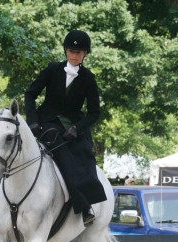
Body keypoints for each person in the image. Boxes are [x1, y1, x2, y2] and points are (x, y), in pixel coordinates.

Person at [25, 29, 107, 226]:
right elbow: (30, 95)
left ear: (85, 54)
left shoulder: (88, 78)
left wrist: (77, 129)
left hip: (72, 126)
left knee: (83, 156)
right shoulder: (52, 69)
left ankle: (85, 204)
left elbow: (94, 112)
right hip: (46, 122)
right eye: (71, 51)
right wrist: (33, 121)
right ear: (65, 51)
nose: (74, 55)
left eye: (78, 52)